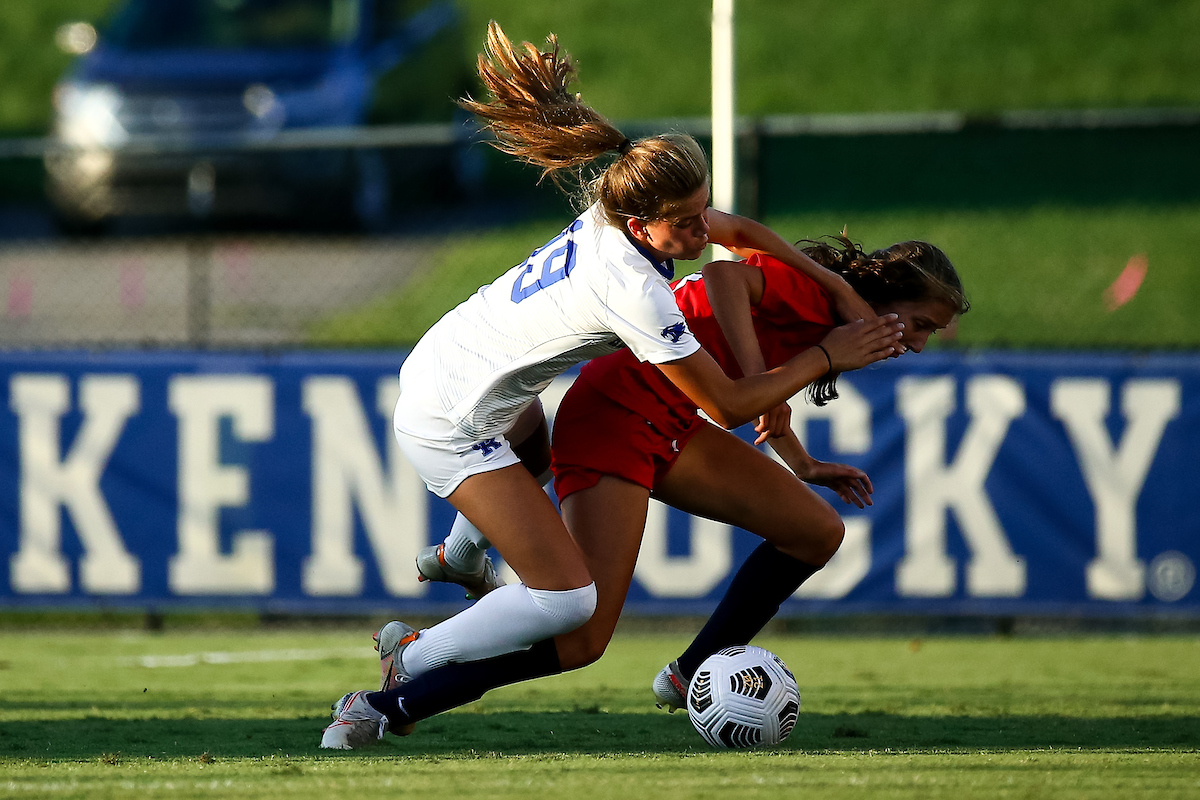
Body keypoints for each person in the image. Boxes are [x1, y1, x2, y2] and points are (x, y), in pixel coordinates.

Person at [319, 21, 903, 749]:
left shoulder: (619, 213)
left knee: (547, 507)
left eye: (701, 211)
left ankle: (462, 556)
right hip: (453, 419)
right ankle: (411, 657)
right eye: (687, 225)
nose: (702, 233)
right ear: (642, 222)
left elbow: (735, 230)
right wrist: (826, 355)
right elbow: (723, 404)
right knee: (568, 601)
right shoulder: (633, 290)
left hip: (464, 368)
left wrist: (831, 289)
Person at [415, 235, 969, 726]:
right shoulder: (816, 299)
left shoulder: (839, 321)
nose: (919, 343)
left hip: (671, 423)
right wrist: (783, 372)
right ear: (887, 296)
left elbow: (761, 391)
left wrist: (803, 464)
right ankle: (395, 693)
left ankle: (690, 675)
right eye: (920, 324)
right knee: (582, 638)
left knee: (816, 531)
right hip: (616, 416)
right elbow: (727, 275)